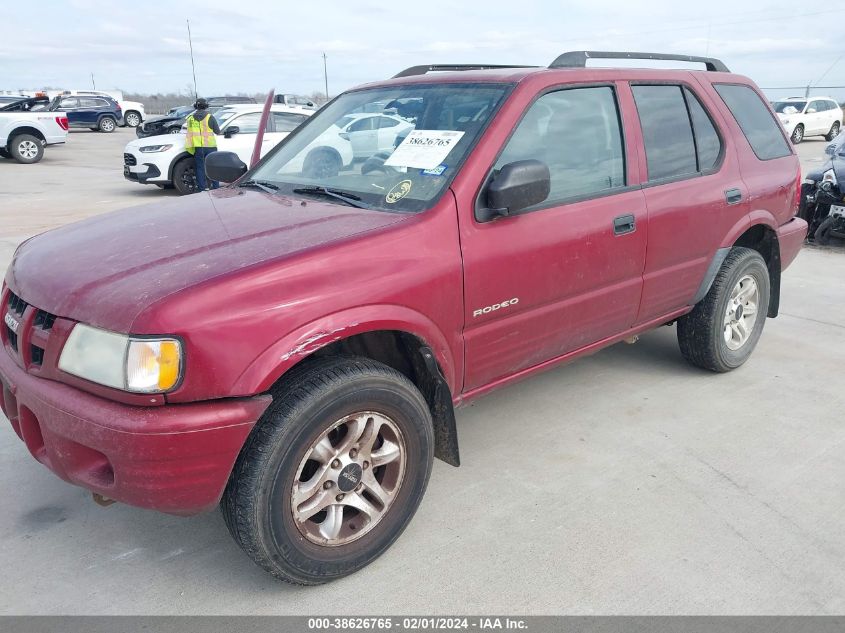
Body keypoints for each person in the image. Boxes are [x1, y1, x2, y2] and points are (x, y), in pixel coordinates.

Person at [184, 98, 221, 191]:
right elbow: (218, 131)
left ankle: (202, 188)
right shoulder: (210, 117)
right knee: (213, 167)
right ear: (206, 106)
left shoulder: (191, 119)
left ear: (196, 106)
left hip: (198, 148)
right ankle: (216, 187)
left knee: (200, 168)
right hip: (210, 147)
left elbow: (188, 133)